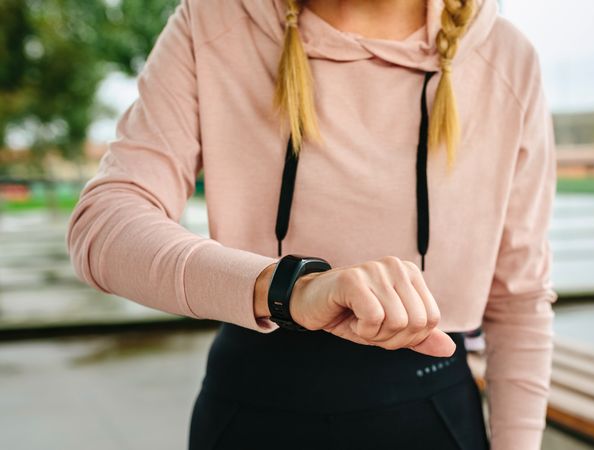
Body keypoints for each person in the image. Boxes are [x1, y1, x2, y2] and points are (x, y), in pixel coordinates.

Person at [65, 0, 559, 448]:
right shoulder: (213, 22)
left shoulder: (505, 59)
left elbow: (519, 299)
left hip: (431, 414)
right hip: (250, 407)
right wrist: (290, 287)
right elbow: (105, 223)